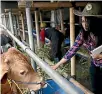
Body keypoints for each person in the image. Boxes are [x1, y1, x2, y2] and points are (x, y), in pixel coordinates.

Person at [51, 2, 102, 94]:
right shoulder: (83, 34)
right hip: (95, 65)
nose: (85, 24)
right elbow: (72, 50)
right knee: (95, 88)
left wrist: (101, 56)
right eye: (83, 21)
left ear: (96, 21)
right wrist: (57, 65)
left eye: (88, 21)